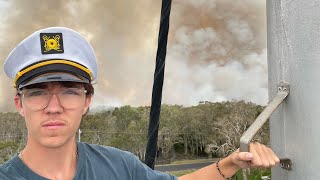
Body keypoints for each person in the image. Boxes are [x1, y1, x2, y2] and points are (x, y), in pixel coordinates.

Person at [0, 27, 279, 180]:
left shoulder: (119, 166)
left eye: (70, 91)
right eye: (37, 92)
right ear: (19, 103)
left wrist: (231, 163)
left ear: (87, 101)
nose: (53, 106)